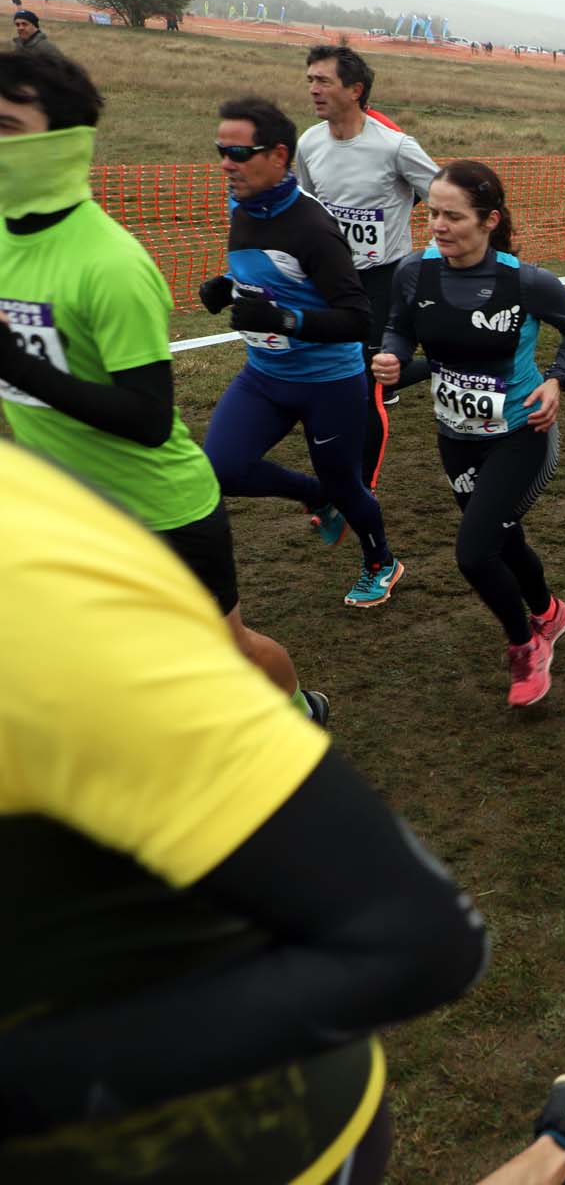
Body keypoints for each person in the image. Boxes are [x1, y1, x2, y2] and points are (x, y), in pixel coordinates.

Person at [0, 442, 565, 1185]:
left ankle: (561, 1155)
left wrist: (42, 1085)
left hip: (228, 1134)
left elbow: (420, 937)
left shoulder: (31, 581)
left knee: (471, 547)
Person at [0, 50, 325, 722]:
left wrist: (17, 362)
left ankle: (300, 713)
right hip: (70, 509)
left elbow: (148, 418)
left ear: (63, 142)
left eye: (6, 126)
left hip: (162, 511)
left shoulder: (110, 264)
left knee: (226, 648)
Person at [370, 160, 565, 706]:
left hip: (520, 432)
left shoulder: (525, 282)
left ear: (489, 220)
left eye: (453, 216)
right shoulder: (414, 273)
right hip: (455, 435)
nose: (437, 226)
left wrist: (557, 381)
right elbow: (400, 327)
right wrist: (395, 359)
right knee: (501, 536)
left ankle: (526, 648)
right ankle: (549, 612)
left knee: (473, 552)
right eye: (432, 213)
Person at [200, 96, 404, 608]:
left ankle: (381, 559)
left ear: (278, 156)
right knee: (221, 468)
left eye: (239, 153)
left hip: (327, 384)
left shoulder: (313, 228)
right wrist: (228, 285)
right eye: (221, 150)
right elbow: (269, 273)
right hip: (264, 375)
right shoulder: (240, 205)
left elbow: (357, 319)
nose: (226, 162)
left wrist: (285, 321)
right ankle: (316, 496)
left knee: (349, 485)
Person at [295, 45, 440, 490]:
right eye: (310, 80)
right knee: (328, 375)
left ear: (355, 90)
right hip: (329, 279)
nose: (313, 89)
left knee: (367, 382)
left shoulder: (395, 146)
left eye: (323, 81)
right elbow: (304, 210)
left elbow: (445, 199)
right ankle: (441, 363)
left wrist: (432, 258)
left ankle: (361, 486)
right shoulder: (309, 143)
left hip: (383, 278)